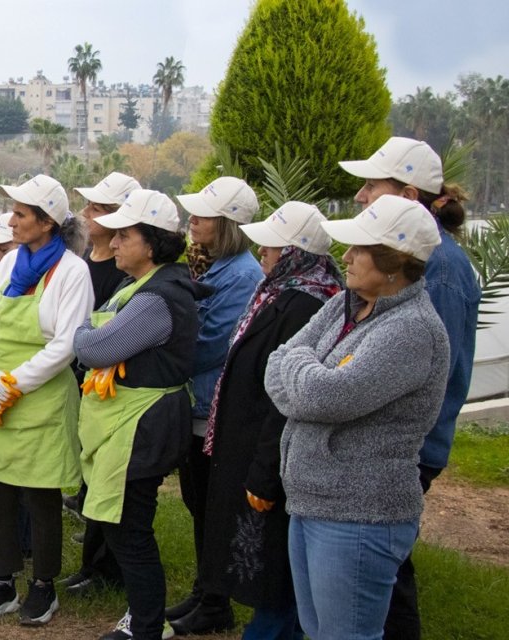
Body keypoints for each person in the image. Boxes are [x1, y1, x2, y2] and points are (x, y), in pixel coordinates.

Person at [267, 194, 449, 640]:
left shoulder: (410, 331)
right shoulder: (346, 303)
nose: (344, 257)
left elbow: (325, 396)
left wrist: (302, 371)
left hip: (359, 514)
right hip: (313, 501)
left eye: (358, 248)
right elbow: (275, 364)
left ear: (393, 261)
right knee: (317, 629)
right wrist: (304, 373)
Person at [339, 136, 481, 640]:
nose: (360, 196)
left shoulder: (438, 272)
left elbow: (422, 374)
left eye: (373, 186)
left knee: (383, 565)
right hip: (386, 440)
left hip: (402, 445)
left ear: (411, 198)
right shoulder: (421, 264)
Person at [198, 202, 343, 640]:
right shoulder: (279, 291)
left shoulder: (304, 303)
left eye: (272, 245)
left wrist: (263, 472)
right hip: (248, 443)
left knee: (274, 570)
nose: (262, 251)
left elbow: (285, 398)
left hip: (269, 455)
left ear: (295, 252)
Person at [73, 189, 206, 640]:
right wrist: (91, 327)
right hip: (130, 424)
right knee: (123, 526)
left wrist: (82, 327)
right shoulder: (143, 287)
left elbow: (94, 347)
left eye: (123, 236)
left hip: (141, 426)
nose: (112, 244)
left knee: (130, 530)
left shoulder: (156, 297)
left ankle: (147, 626)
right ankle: (143, 617)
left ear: (150, 243)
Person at [0, 175, 94, 627]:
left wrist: (15, 382)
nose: (12, 221)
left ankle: (43, 585)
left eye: (20, 213)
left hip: (39, 399)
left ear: (46, 222)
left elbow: (67, 345)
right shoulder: (9, 263)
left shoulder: (73, 272)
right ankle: (2, 581)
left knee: (40, 499)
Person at [169, 176, 264, 634]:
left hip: (211, 407)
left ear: (227, 225)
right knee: (197, 502)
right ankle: (205, 591)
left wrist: (162, 355)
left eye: (203, 215)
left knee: (211, 504)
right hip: (197, 405)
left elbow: (212, 343)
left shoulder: (243, 275)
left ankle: (214, 601)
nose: (193, 221)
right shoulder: (212, 267)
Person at [61, 171, 143, 597]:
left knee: (104, 483)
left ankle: (102, 567)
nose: (86, 214)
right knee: (89, 475)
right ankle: (92, 561)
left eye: (96, 208)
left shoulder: (121, 271)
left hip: (105, 385)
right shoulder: (80, 261)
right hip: (78, 378)